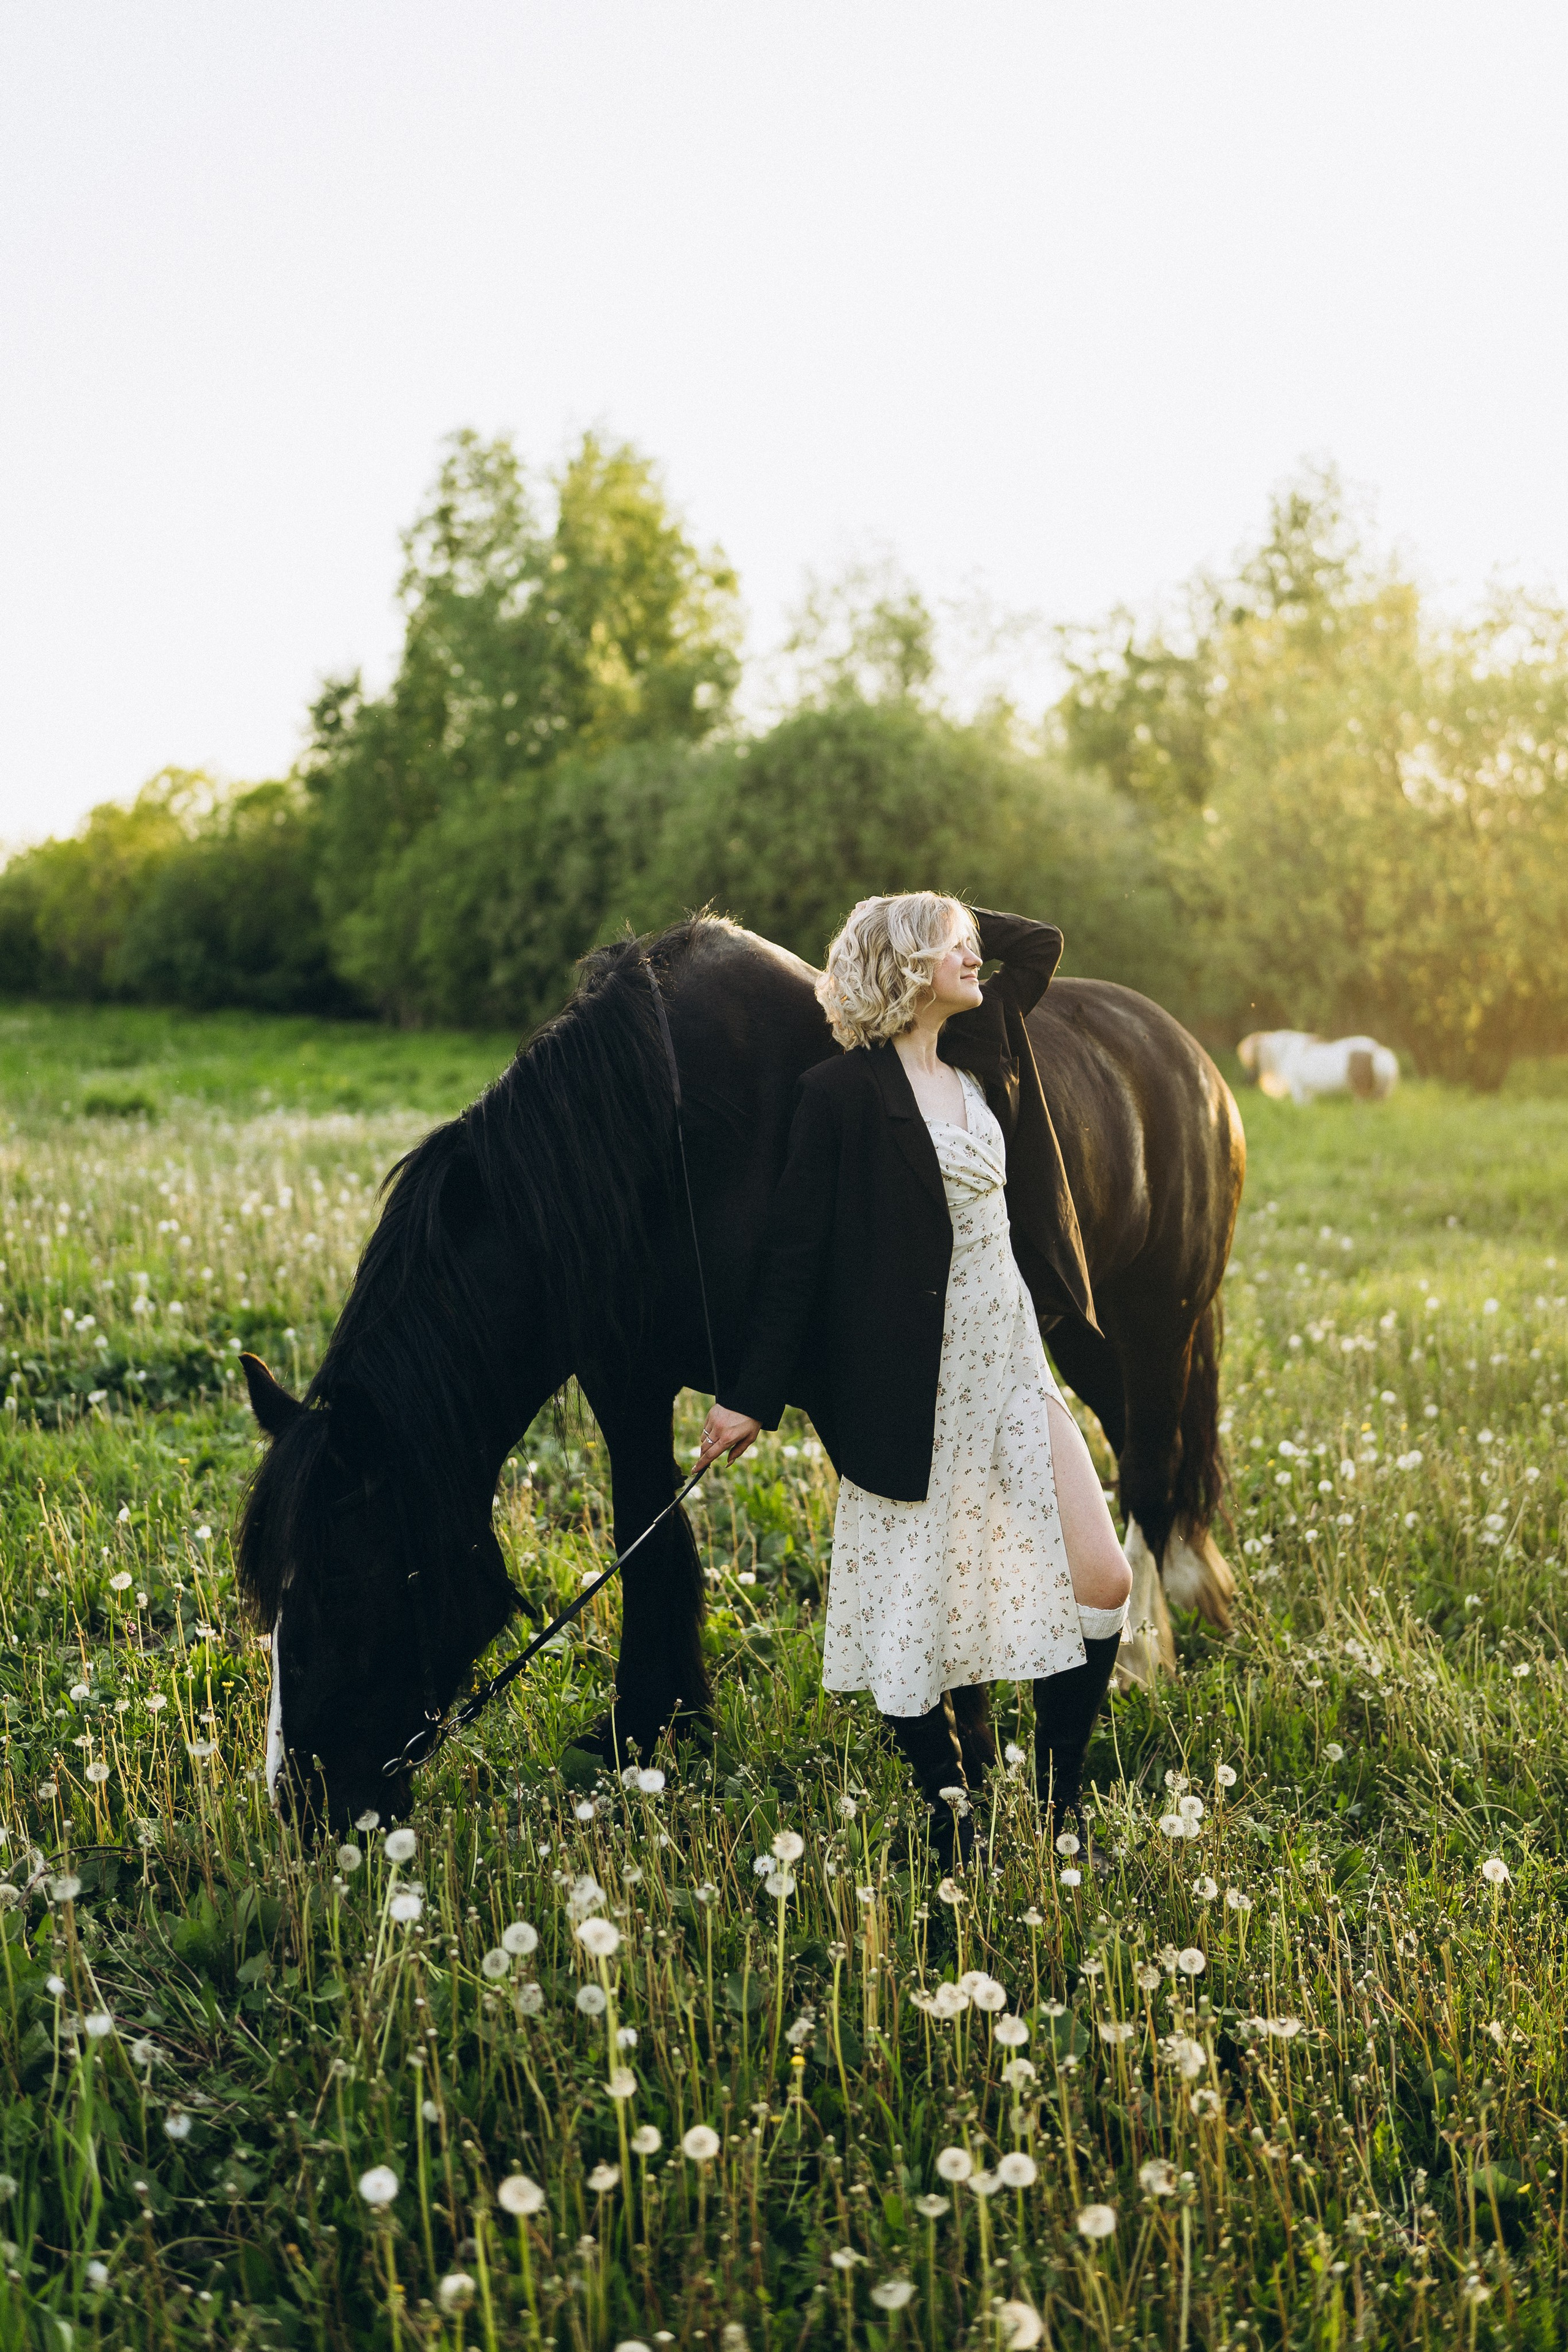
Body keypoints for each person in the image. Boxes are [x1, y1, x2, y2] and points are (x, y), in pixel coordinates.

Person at [699, 894, 1131, 1866]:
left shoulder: (986, 1050)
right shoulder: (840, 1095)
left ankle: (1061, 1810)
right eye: (953, 947)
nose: (977, 957)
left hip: (1013, 1361)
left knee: (1102, 1578)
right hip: (911, 1388)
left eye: (970, 945)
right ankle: (952, 1817)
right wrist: (746, 1398)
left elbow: (1038, 943)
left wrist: (933, 911)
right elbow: (793, 1259)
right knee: (917, 1629)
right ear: (903, 967)